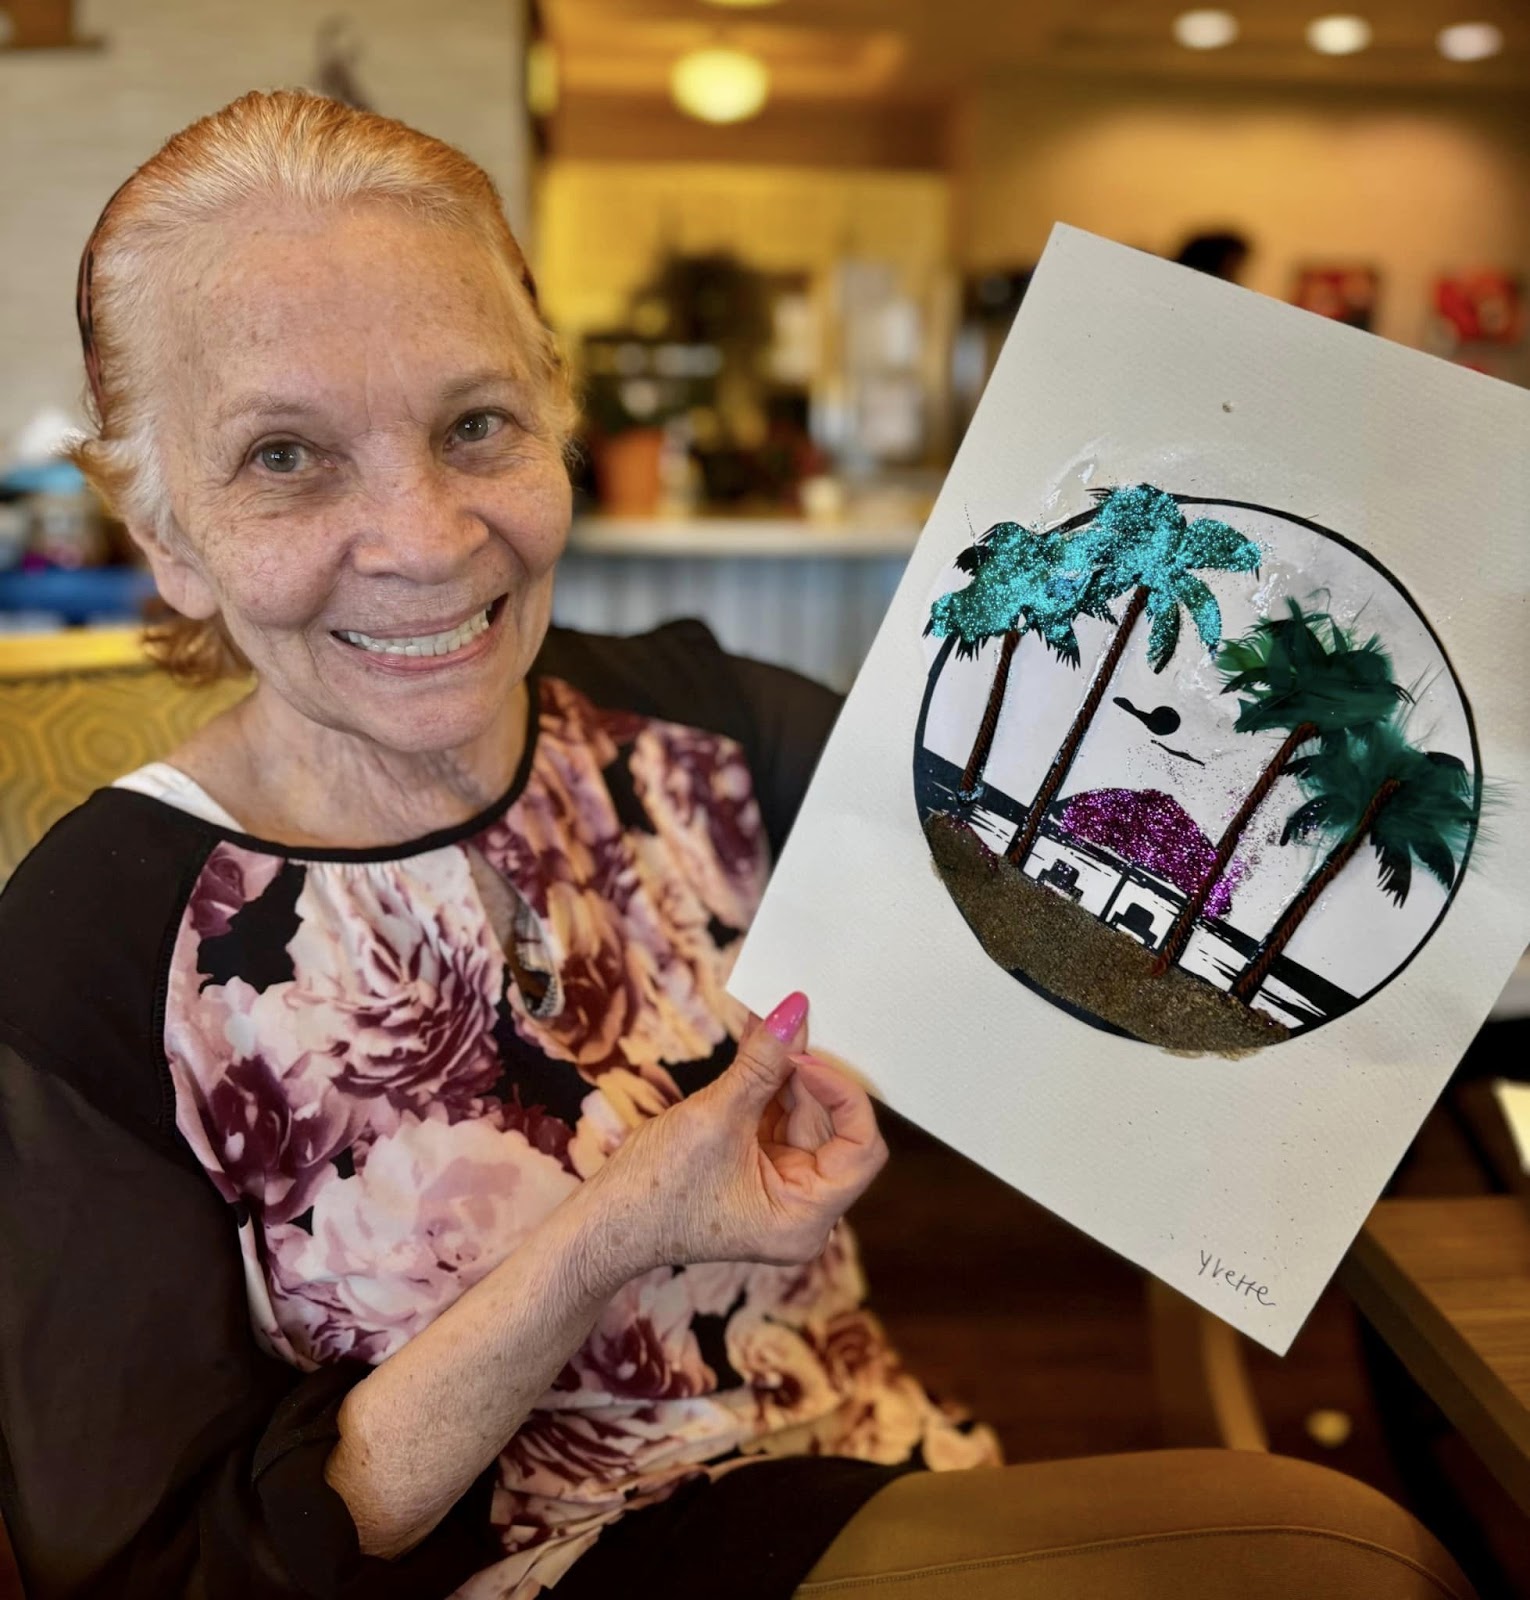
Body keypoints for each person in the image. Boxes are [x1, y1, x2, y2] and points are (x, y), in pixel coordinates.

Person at [0, 92, 1473, 1600]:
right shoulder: (91, 957)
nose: (428, 537)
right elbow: (164, 1578)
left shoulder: (701, 733)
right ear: (165, 532)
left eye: (476, 424)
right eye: (286, 459)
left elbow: (1129, 882)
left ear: (559, 415)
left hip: (879, 1492)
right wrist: (608, 1236)